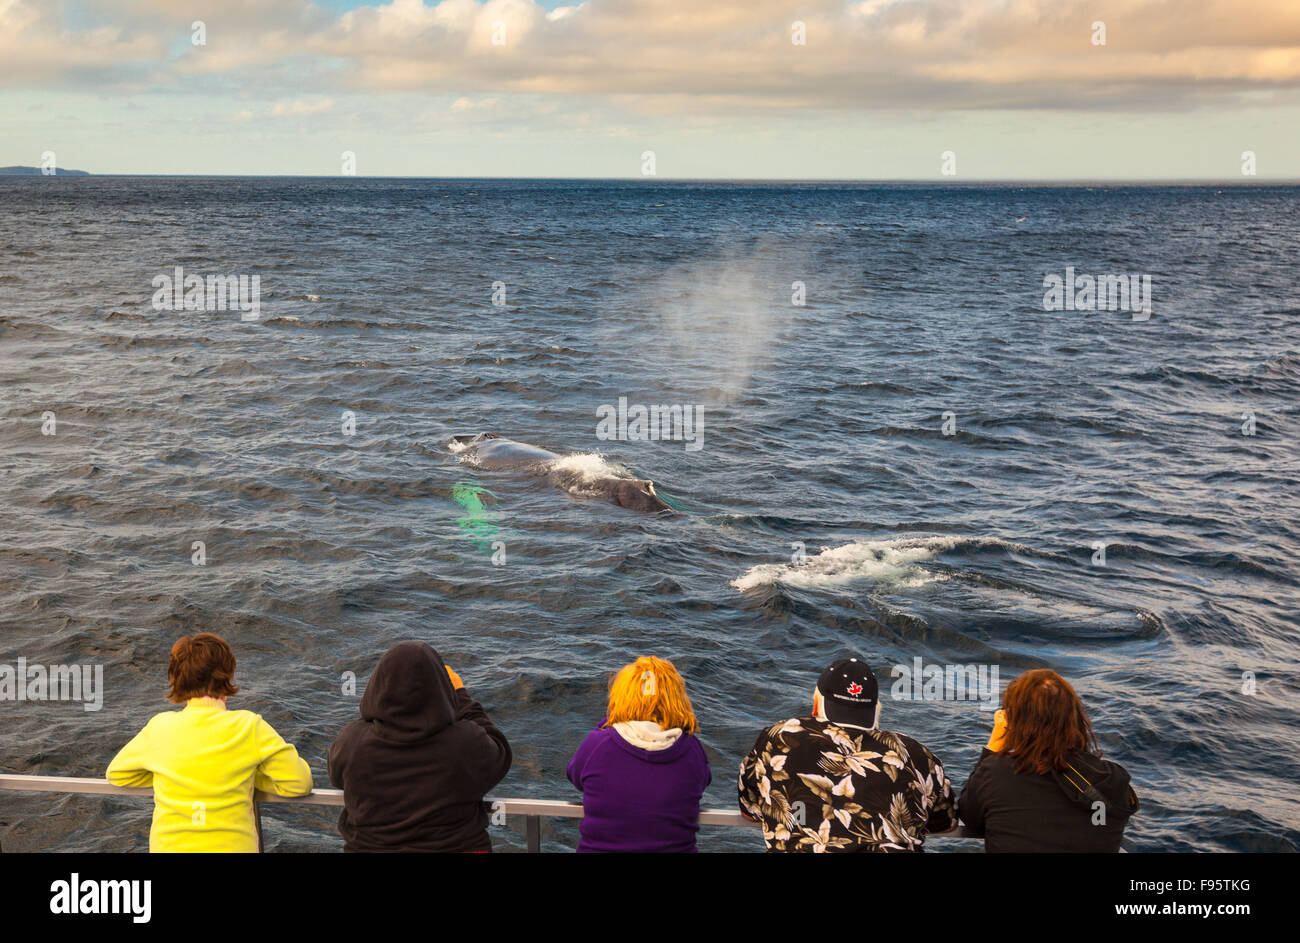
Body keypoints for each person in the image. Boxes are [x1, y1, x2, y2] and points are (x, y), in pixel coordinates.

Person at [105, 632, 313, 852]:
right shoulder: (249, 726)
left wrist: (172, 776)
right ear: (227, 675)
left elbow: (118, 773)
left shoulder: (159, 727)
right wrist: (246, 778)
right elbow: (299, 784)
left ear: (176, 677)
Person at [738, 657, 956, 852]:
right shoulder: (916, 754)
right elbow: (945, 822)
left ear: (817, 704)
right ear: (875, 710)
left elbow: (749, 807)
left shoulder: (778, 738)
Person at [328, 641, 512, 852]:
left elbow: (337, 778)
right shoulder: (466, 743)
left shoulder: (351, 742)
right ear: (441, 689)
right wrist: (461, 697)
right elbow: (501, 752)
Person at [958, 668, 1138, 852]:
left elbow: (970, 817)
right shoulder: (1114, 779)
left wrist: (994, 745)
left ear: (1016, 722)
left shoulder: (996, 772)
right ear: (1074, 717)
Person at [567, 656, 711, 852]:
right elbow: (703, 781)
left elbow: (575, 775)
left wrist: (607, 725)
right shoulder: (692, 750)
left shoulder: (597, 745)